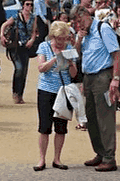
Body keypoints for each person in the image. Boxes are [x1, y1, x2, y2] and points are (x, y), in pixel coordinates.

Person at [75, 7, 120, 171]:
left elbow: (116, 54)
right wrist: (79, 38)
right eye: (76, 23)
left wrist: (115, 79)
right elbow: (76, 53)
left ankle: (109, 157)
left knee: (105, 118)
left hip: (103, 76)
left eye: (80, 21)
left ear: (87, 16)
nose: (79, 25)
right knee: (91, 117)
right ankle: (100, 152)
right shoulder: (84, 33)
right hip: (88, 77)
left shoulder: (103, 29)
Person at [33, 21, 79, 171]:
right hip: (46, 90)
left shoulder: (70, 48)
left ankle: (57, 158)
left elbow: (74, 74)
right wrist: (55, 58)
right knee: (44, 126)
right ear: (53, 36)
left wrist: (71, 62)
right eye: (59, 38)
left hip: (63, 90)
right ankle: (41, 159)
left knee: (61, 127)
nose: (61, 42)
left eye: (64, 38)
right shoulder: (44, 46)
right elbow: (41, 68)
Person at [0, 0, 37, 104]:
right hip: (15, 47)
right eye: (27, 4)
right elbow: (4, 25)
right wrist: (2, 35)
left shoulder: (34, 17)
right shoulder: (16, 16)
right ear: (23, 5)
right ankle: (15, 92)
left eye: (31, 5)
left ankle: (20, 94)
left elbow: (34, 31)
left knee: (24, 71)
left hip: (26, 47)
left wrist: (32, 40)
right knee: (19, 69)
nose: (29, 7)